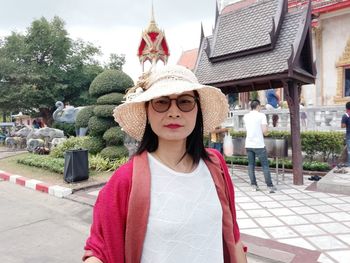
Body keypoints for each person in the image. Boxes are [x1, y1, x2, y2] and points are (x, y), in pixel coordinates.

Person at [83, 65, 247, 263]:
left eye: (185, 102)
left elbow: (233, 235)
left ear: (198, 110)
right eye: (162, 102)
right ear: (147, 112)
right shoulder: (126, 179)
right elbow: (98, 251)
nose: (174, 112)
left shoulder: (215, 165)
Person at [243, 99, 276, 193]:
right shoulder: (261, 115)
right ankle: (269, 186)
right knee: (265, 166)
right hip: (259, 145)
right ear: (258, 106)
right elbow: (265, 131)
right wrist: (267, 131)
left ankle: (254, 185)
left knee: (251, 165)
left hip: (248, 144)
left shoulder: (246, 116)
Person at [341, 101, 350, 166]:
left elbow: (342, 126)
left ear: (346, 108)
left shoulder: (345, 115)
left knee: (349, 150)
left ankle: (349, 163)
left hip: (349, 135)